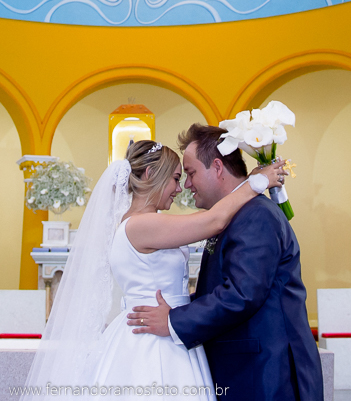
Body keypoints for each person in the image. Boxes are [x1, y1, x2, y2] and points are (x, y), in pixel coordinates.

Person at [23, 138, 285, 397]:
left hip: (167, 329)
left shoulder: (142, 223)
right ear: (150, 174)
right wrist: (255, 182)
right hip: (153, 342)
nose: (179, 188)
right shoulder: (140, 225)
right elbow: (214, 220)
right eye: (175, 178)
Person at [127, 124, 323, 401]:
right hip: (246, 367)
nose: (186, 185)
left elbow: (243, 293)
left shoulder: (255, 214)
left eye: (191, 173)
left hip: (263, 372)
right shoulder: (237, 214)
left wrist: (173, 319)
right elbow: (218, 288)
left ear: (217, 168)